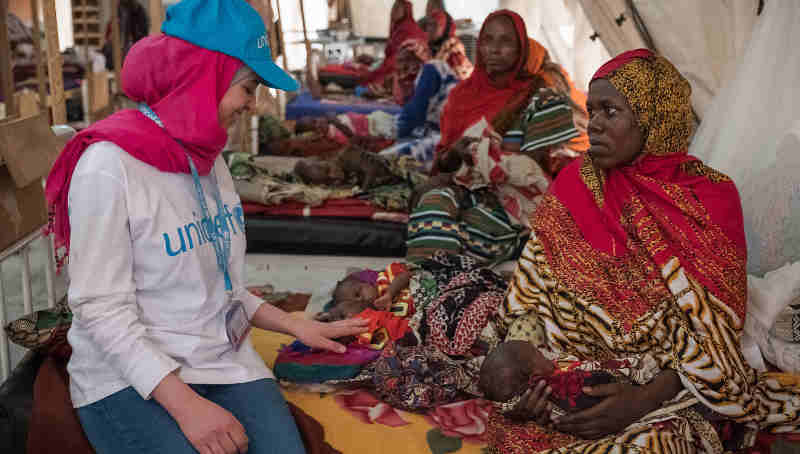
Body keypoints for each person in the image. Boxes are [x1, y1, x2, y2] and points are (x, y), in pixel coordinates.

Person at [44, 1, 367, 454]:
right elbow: (100, 309)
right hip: (127, 378)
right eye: (248, 87)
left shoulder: (208, 159)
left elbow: (220, 285)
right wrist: (187, 407)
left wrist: (292, 324)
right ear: (204, 77)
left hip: (219, 361)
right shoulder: (109, 167)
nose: (253, 105)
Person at [488, 49, 800, 454]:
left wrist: (642, 400)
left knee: (652, 445)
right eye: (591, 109)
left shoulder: (708, 200)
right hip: (571, 366)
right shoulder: (574, 186)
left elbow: (715, 333)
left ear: (653, 117)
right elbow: (529, 298)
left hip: (668, 383)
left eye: (610, 111)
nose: (594, 124)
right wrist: (536, 381)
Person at [406, 10, 589, 265]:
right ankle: (432, 280)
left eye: (505, 42)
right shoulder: (462, 96)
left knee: (474, 229)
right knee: (433, 204)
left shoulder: (543, 97)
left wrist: (476, 165)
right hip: (464, 188)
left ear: (521, 49)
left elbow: (532, 172)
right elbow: (444, 161)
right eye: (488, 40)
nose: (493, 49)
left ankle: (436, 279)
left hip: (513, 204)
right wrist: (455, 155)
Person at [358, 0, 427, 101]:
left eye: (398, 8)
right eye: (394, 8)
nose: (394, 11)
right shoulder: (399, 28)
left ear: (406, 11)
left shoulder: (408, 29)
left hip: (404, 70)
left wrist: (375, 75)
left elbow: (398, 59)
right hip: (396, 66)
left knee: (370, 82)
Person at [422, 6, 474, 80]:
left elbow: (460, 82)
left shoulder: (454, 53)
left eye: (435, 25)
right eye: (428, 25)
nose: (430, 29)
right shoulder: (426, 48)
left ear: (445, 28)